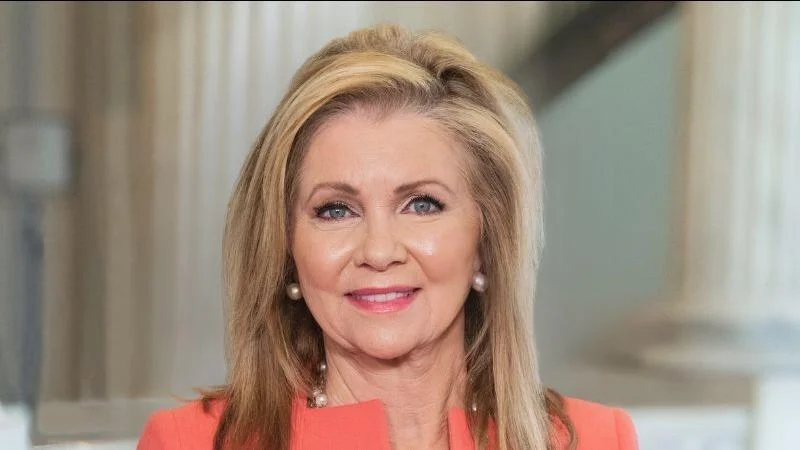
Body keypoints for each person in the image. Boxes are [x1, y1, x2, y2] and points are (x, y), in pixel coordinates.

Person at [137, 24, 638, 450]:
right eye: (335, 210)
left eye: (422, 204)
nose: (378, 251)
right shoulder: (189, 443)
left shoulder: (594, 440)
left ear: (485, 242)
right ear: (286, 248)